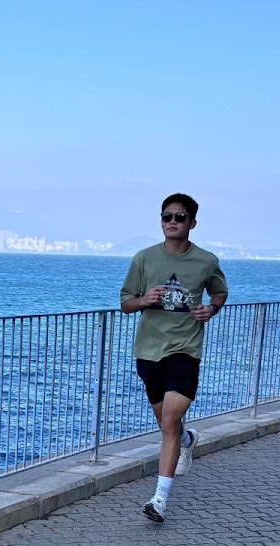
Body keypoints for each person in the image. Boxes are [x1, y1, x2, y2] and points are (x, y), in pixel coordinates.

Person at [119, 193, 229, 524]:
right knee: (165, 422)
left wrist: (212, 309)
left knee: (168, 421)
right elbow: (125, 302)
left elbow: (219, 291)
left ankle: (159, 499)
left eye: (180, 217)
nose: (172, 222)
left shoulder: (205, 261)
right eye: (167, 216)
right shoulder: (144, 258)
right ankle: (186, 439)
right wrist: (143, 300)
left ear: (192, 223)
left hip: (185, 350)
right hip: (149, 351)